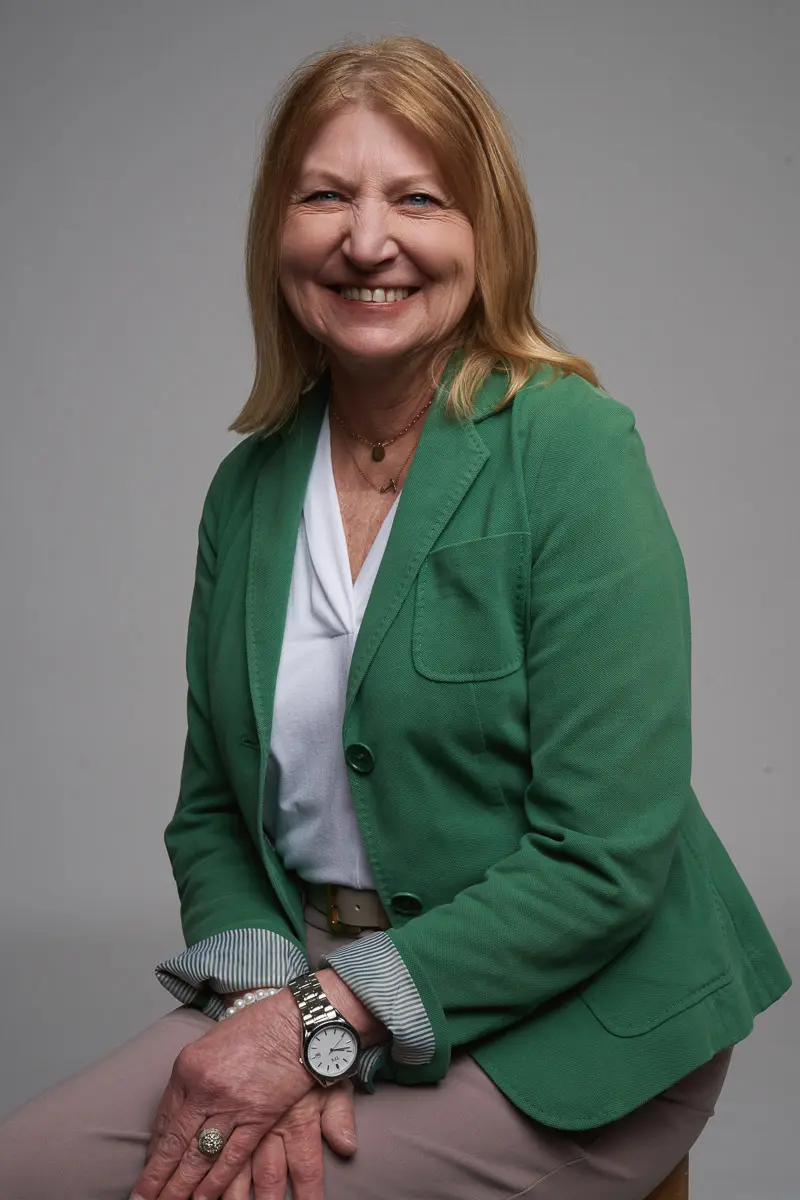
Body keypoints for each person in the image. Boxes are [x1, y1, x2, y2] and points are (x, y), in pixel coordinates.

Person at [0, 33, 791, 1200]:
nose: (367, 241)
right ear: (277, 230)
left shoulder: (572, 448)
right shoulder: (247, 490)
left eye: (417, 199)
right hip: (304, 976)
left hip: (577, 1024)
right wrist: (276, 1012)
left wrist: (321, 1024)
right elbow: (214, 813)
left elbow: (603, 855)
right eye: (326, 196)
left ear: (485, 232)